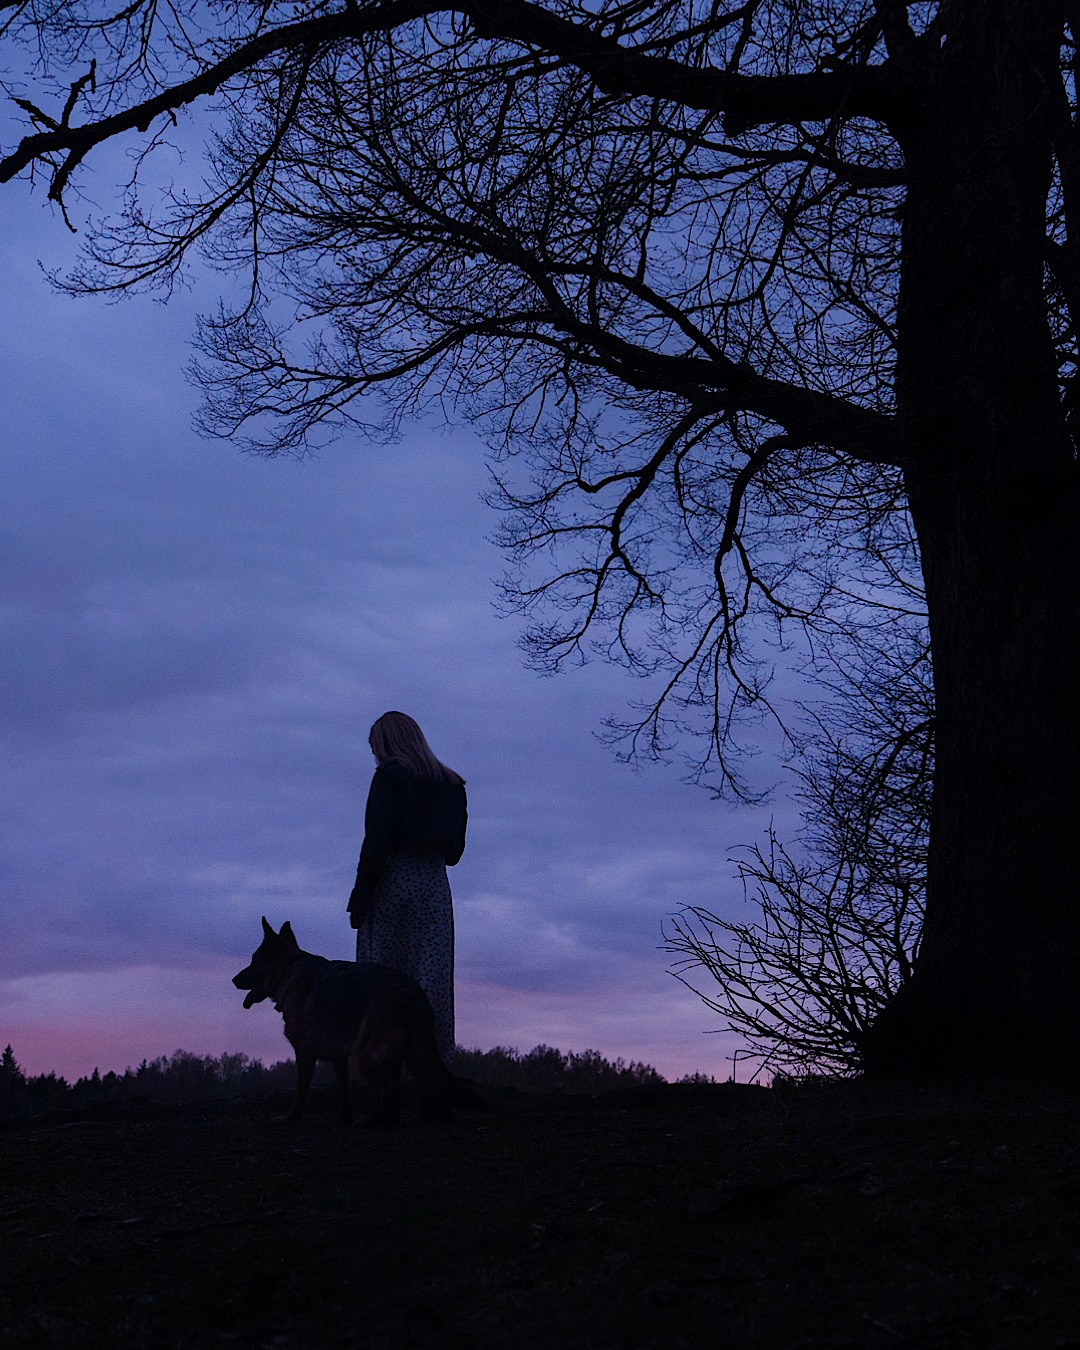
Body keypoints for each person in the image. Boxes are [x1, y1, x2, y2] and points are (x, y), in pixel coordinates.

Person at [348, 711, 467, 1061]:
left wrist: (359, 901)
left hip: (393, 886)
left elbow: (376, 843)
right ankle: (433, 1064)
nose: (375, 755)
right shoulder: (453, 786)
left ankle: (386, 1063)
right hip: (434, 888)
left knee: (384, 978)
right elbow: (454, 854)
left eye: (375, 747)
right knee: (431, 977)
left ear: (385, 745)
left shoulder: (389, 779)